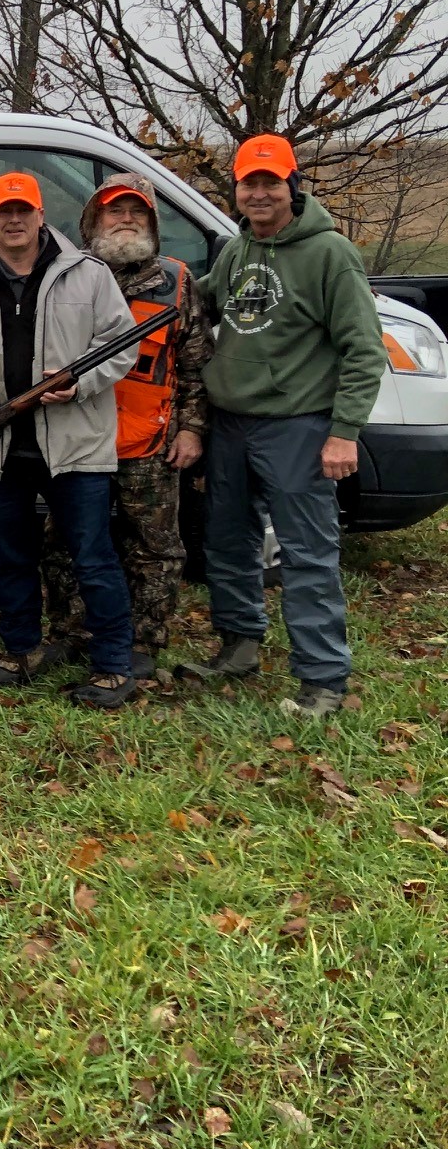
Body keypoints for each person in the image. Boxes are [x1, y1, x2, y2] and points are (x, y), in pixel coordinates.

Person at [182, 134, 385, 720]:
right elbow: (201, 304)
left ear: (292, 186)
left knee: (306, 554)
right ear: (237, 191)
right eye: (250, 183)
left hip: (296, 424)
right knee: (227, 541)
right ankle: (238, 647)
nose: (260, 194)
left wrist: (344, 431)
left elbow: (363, 349)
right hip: (230, 423)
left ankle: (323, 680)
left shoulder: (330, 254)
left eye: (271, 183)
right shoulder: (237, 249)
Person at [0, 171, 141, 709]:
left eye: (24, 210)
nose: (15, 220)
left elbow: (122, 344)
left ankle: (114, 665)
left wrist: (80, 384)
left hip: (76, 446)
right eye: (5, 211)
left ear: (42, 216)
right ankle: (21, 650)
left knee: (93, 558)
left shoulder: (88, 275)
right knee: (11, 559)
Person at [41, 176, 212, 678]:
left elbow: (197, 364)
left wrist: (191, 429)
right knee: (64, 543)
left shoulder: (176, 281)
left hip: (149, 441)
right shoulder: (66, 276)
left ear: (153, 224)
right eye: (114, 211)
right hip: (78, 437)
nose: (126, 220)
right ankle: (71, 633)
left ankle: (143, 641)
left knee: (154, 549)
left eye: (137, 212)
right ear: (93, 222)